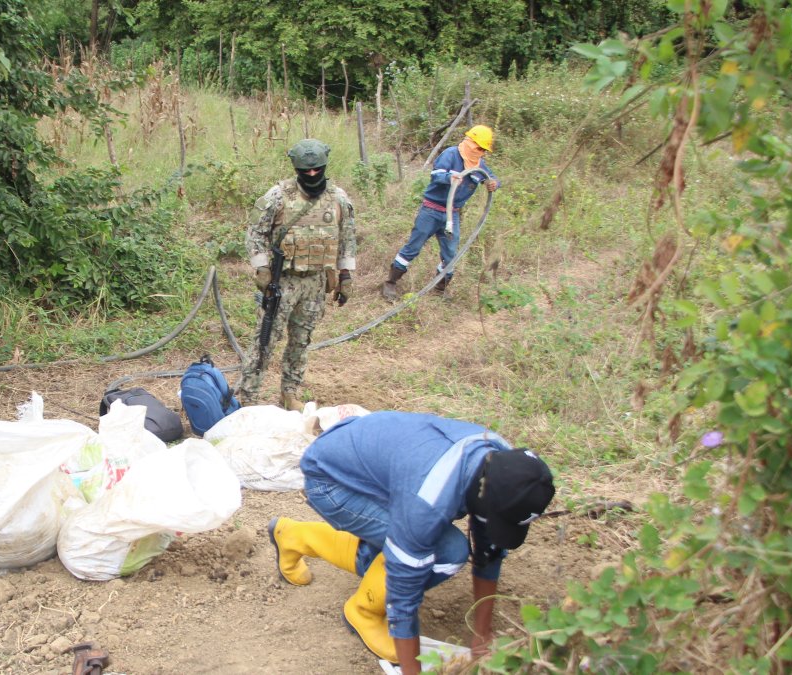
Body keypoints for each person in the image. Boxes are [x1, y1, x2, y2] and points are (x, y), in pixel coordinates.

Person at [268, 411, 555, 672]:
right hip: (331, 480)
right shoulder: (427, 500)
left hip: (367, 459)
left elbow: (489, 550)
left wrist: (481, 633)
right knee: (445, 552)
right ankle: (363, 612)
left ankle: (294, 536)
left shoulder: (500, 461)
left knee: (405, 542)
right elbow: (403, 593)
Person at [238, 139, 358, 411]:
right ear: (296, 168)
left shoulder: (338, 198)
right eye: (307, 170)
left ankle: (289, 394)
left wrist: (346, 275)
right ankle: (248, 397)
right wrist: (262, 268)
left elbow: (348, 237)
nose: (313, 175)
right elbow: (255, 233)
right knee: (265, 340)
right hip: (284, 282)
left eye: (318, 169)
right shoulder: (278, 196)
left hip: (316, 283)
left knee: (301, 341)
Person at [382, 125, 501, 299]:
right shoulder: (451, 154)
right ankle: (390, 283)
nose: (481, 152)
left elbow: (492, 178)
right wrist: (449, 178)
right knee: (413, 246)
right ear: (469, 142)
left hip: (452, 214)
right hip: (431, 210)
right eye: (479, 147)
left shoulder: (479, 164)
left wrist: (494, 183)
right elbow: (436, 175)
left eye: (484, 150)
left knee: (451, 254)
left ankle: (439, 288)